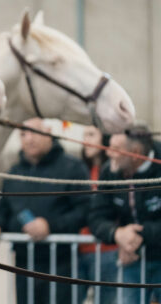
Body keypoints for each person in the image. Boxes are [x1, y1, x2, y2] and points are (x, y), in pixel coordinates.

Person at [0, 118, 89, 304]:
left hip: (62, 264)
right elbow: (3, 210)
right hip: (24, 263)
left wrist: (50, 226)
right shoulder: (13, 173)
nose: (29, 139)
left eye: (34, 132)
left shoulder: (72, 168)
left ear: (48, 132)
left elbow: (85, 210)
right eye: (23, 134)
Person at [88, 124, 161, 304]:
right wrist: (118, 234)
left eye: (116, 149)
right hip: (132, 259)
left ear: (135, 152)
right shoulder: (110, 171)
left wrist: (139, 235)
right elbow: (96, 216)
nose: (109, 153)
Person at [78, 126, 117, 304]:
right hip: (80, 248)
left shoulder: (111, 172)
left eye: (91, 135)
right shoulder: (80, 170)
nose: (86, 140)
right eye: (84, 135)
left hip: (106, 249)